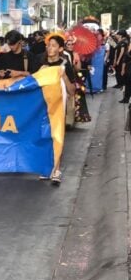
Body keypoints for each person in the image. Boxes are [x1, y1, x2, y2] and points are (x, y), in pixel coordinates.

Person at [41, 34, 77, 184]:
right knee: (45, 136)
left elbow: (72, 90)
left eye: (54, 45)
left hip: (59, 106)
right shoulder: (41, 64)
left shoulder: (65, 65)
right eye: (49, 45)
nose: (50, 48)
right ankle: (45, 167)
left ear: (61, 49)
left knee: (57, 136)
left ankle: (56, 169)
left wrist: (63, 77)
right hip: (43, 106)